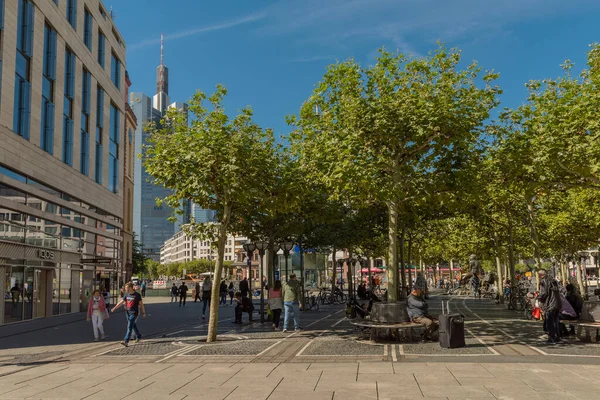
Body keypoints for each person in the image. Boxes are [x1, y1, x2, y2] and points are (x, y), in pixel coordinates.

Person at [112, 282, 146, 347]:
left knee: (129, 326)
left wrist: (143, 312)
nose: (125, 289)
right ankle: (138, 336)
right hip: (127, 312)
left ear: (130, 288)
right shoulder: (126, 295)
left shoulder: (137, 295)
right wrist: (114, 308)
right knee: (133, 325)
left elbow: (141, 304)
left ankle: (126, 341)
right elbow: (121, 302)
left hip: (134, 313)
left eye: (126, 287)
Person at [539, 270, 562, 344]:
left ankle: (551, 337)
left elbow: (544, 293)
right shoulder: (553, 280)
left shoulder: (544, 281)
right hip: (557, 303)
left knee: (549, 322)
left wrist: (539, 298)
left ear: (540, 275)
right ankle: (557, 337)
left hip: (550, 304)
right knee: (555, 321)